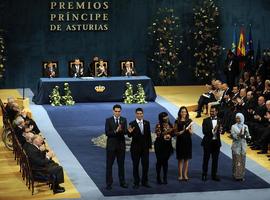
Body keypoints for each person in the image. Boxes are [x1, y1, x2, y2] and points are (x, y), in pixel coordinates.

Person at [105, 104, 128, 190]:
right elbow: (107, 133)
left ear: (120, 111)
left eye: (119, 111)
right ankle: (109, 183)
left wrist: (124, 131)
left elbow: (125, 132)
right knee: (109, 166)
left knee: (121, 165)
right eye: (116, 111)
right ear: (113, 111)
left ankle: (122, 182)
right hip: (111, 147)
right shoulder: (108, 120)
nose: (117, 113)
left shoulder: (124, 120)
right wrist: (116, 131)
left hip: (121, 147)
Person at [128, 108, 152, 189]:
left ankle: (145, 181)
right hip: (135, 149)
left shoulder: (147, 123)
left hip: (145, 149)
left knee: (145, 165)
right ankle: (136, 182)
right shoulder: (132, 123)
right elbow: (129, 135)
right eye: (138, 113)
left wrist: (149, 146)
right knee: (136, 166)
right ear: (135, 114)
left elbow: (149, 135)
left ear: (143, 114)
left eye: (141, 113)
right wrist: (129, 132)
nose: (139, 115)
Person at [201, 106, 224, 181]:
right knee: (206, 159)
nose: (212, 113)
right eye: (211, 111)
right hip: (207, 143)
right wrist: (213, 130)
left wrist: (221, 131)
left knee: (215, 160)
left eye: (213, 111)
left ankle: (214, 175)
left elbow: (222, 131)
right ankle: (204, 174)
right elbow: (204, 132)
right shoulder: (205, 120)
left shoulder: (220, 120)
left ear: (217, 112)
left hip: (216, 143)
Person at [154, 112, 174, 184]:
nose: (166, 118)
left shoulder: (170, 125)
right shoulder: (158, 125)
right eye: (164, 117)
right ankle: (158, 177)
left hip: (167, 146)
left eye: (166, 116)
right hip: (159, 146)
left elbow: (173, 134)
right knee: (159, 162)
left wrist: (171, 134)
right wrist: (167, 132)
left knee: (165, 162)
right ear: (161, 118)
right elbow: (158, 134)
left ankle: (165, 177)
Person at [174, 106, 193, 181]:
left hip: (188, 141)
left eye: (185, 111)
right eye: (182, 112)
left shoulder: (189, 121)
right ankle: (180, 175)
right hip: (180, 141)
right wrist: (180, 132)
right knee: (180, 159)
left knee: (186, 159)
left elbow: (192, 133)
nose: (183, 113)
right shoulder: (177, 121)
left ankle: (185, 174)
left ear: (187, 112)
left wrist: (188, 130)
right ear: (180, 113)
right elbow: (174, 133)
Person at [231, 113, 251, 181]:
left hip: (243, 146)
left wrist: (245, 136)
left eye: (239, 118)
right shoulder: (233, 126)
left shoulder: (245, 126)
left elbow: (248, 136)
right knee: (237, 161)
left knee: (242, 161)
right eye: (237, 118)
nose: (237, 119)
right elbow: (233, 136)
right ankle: (236, 175)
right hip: (236, 146)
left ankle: (242, 176)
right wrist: (239, 135)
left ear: (242, 118)